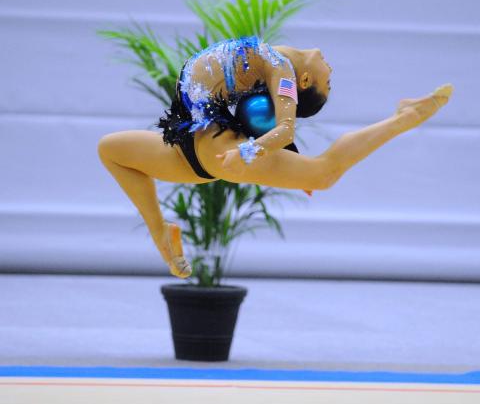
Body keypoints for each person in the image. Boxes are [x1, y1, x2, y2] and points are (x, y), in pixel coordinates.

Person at [97, 35, 453, 279]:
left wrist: (248, 151)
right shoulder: (269, 59)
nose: (331, 72)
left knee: (323, 174)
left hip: (217, 149)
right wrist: (283, 163)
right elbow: (261, 119)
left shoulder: (280, 66)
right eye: (331, 83)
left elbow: (285, 130)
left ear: (304, 79)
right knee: (110, 150)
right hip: (190, 145)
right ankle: (160, 232)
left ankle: (405, 118)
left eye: (327, 83)